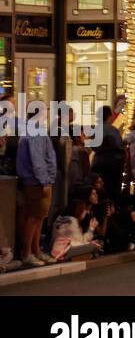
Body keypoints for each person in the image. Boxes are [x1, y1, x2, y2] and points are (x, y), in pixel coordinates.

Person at [16, 106, 58, 267]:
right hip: (37, 182)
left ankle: (35, 250)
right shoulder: (35, 133)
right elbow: (38, 160)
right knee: (34, 218)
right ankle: (27, 253)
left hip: (35, 181)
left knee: (38, 217)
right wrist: (45, 181)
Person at [89, 106, 126, 202]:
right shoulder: (112, 130)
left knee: (99, 190)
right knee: (112, 193)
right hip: (112, 164)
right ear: (109, 116)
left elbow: (92, 145)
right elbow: (119, 145)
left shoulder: (94, 129)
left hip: (97, 162)